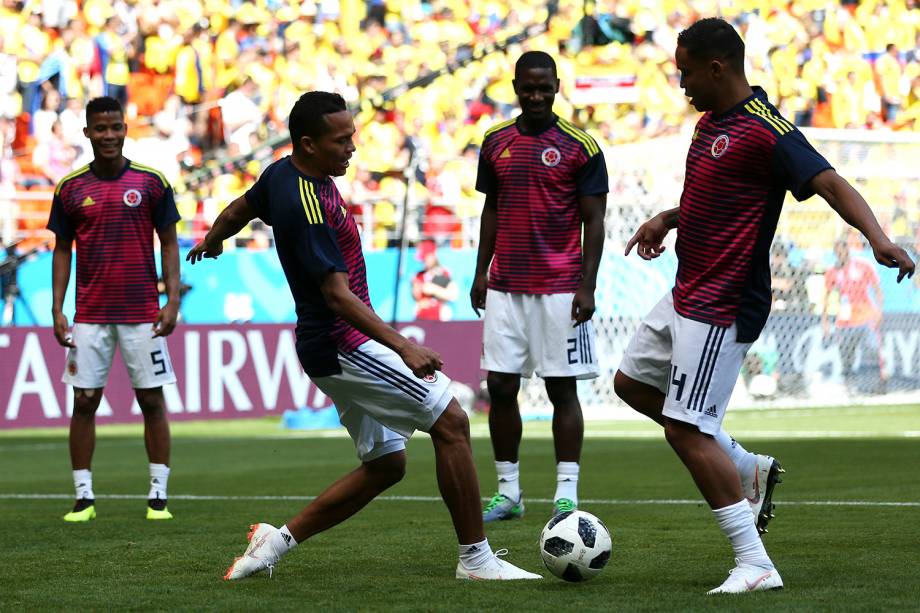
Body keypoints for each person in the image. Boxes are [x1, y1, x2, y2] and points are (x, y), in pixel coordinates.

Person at [187, 91, 541, 582]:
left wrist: (213, 238)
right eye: (342, 139)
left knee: (386, 466)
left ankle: (275, 542)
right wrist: (404, 345)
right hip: (341, 341)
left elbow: (241, 207)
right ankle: (476, 561)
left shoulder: (281, 173)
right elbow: (336, 295)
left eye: (352, 134)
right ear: (308, 144)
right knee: (453, 421)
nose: (353, 146)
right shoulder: (307, 206)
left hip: (327, 344)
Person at [615, 18, 915, 594]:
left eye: (686, 74)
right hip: (685, 290)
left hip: (722, 303)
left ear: (717, 68)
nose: (681, 85)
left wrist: (877, 238)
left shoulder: (766, 130)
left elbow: (831, 184)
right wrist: (667, 218)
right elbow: (713, 198)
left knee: (684, 429)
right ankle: (744, 465)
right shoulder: (709, 127)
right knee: (630, 385)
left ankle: (755, 564)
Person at [471, 51, 607, 521]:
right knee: (501, 386)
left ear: (556, 86)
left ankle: (566, 492)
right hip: (506, 286)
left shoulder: (580, 146)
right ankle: (508, 492)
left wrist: (587, 286)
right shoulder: (494, 142)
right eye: (527, 88)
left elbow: (595, 220)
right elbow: (491, 210)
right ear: (515, 87)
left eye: (544, 87)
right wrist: (480, 270)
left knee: (561, 389)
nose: (536, 95)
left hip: (560, 288)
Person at [47, 96, 181, 522]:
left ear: (125, 129)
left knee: (151, 400)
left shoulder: (151, 182)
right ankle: (83, 498)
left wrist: (171, 298)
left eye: (115, 127)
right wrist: (57, 308)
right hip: (89, 314)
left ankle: (158, 496)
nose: (108, 135)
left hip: (143, 312)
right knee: (84, 401)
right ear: (87, 132)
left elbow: (171, 241)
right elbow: (62, 250)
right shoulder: (70, 188)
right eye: (100, 129)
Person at [822, 238, 885, 393]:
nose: (840, 255)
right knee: (846, 354)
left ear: (848, 251)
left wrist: (879, 311)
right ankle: (850, 386)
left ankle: (880, 382)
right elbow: (826, 297)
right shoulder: (832, 271)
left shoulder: (863, 266)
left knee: (872, 348)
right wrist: (825, 321)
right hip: (844, 320)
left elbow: (877, 289)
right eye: (837, 252)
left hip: (865, 316)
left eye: (842, 251)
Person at [412, 240, 458, 321]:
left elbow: (453, 295)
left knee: (446, 312)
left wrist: (433, 289)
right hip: (422, 316)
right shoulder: (419, 275)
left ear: (432, 256)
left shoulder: (441, 274)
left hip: (439, 316)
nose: (423, 262)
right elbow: (416, 298)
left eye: (425, 258)